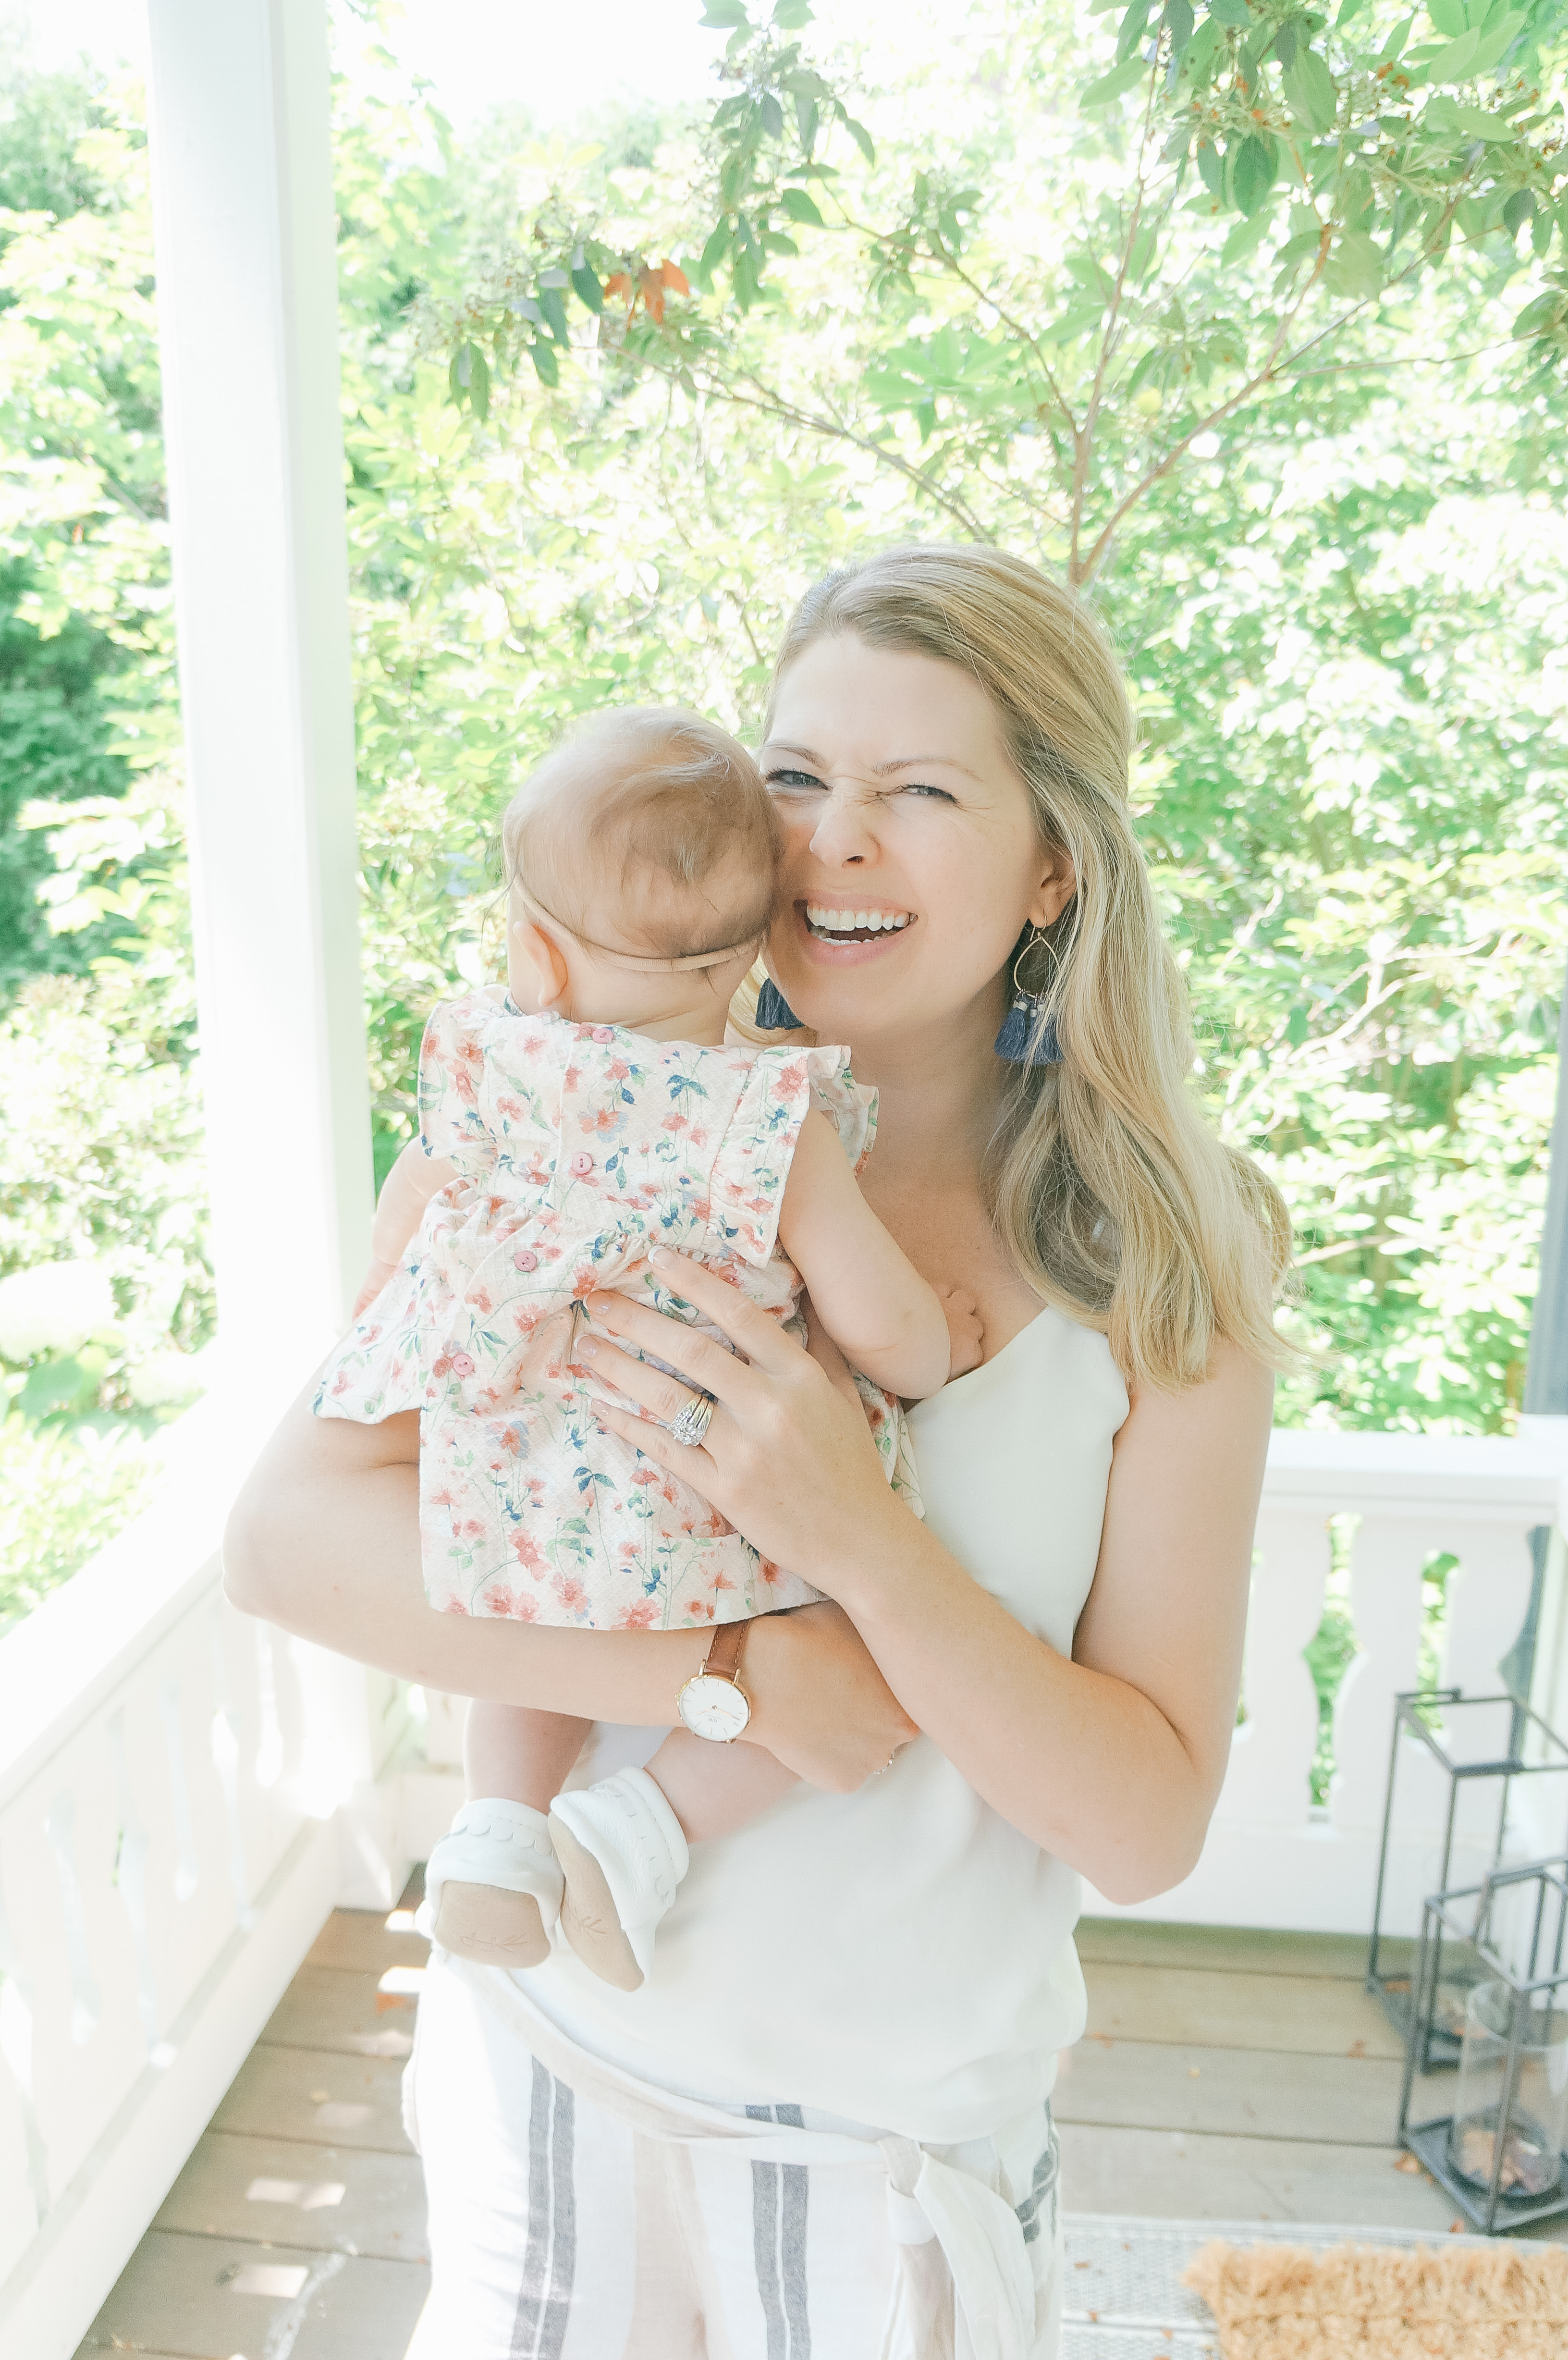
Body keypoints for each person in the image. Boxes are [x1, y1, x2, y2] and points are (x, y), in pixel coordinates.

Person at [224, 542, 1286, 2360]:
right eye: (796, 775)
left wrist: (862, 1540)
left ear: (1054, 865)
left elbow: (1146, 1825)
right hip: (549, 2081)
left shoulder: (1171, 1256)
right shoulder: (568, 1123)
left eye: (919, 792)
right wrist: (737, 1673)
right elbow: (288, 1542)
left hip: (888, 2168)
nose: (830, 843)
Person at [310, 703, 979, 1991]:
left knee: (522, 1619)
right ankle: (639, 1829)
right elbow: (891, 1335)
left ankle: (497, 1831)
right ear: (754, 953)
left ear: (538, 960)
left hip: (525, 1467)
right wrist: (935, 1337)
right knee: (857, 1648)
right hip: (708, 1482)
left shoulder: (490, 1072)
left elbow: (404, 1239)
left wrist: (396, 1335)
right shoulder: (765, 1118)